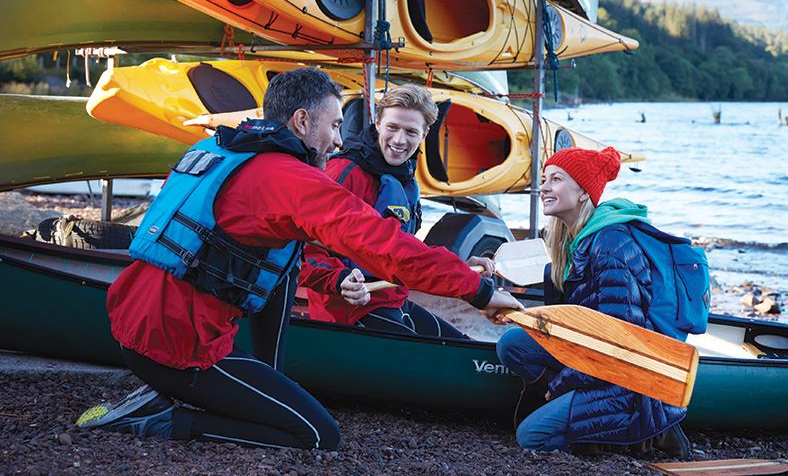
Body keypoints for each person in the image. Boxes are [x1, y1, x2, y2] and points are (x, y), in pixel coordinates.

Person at [75, 67, 522, 450]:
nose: (337, 140)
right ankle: (164, 420)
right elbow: (384, 246)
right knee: (317, 434)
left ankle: (233, 385)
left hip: (144, 319)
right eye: (332, 127)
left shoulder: (227, 149)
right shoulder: (293, 180)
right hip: (176, 346)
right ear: (302, 120)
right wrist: (479, 292)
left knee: (285, 262)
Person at [495, 147, 694, 458]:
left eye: (556, 179)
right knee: (513, 344)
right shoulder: (574, 239)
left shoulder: (610, 246)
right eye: (544, 179)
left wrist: (560, 384)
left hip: (631, 379)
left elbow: (620, 346)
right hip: (598, 360)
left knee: (531, 438)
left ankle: (651, 434)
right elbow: (579, 321)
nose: (544, 187)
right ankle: (577, 407)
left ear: (584, 193)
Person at [300, 84, 491, 338]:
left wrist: (461, 268)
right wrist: (338, 278)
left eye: (411, 131)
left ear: (425, 132)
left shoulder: (404, 179)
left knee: (463, 346)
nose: (399, 140)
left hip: (392, 298)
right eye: (392, 127)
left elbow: (407, 249)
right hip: (349, 309)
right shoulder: (344, 172)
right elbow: (304, 250)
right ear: (377, 122)